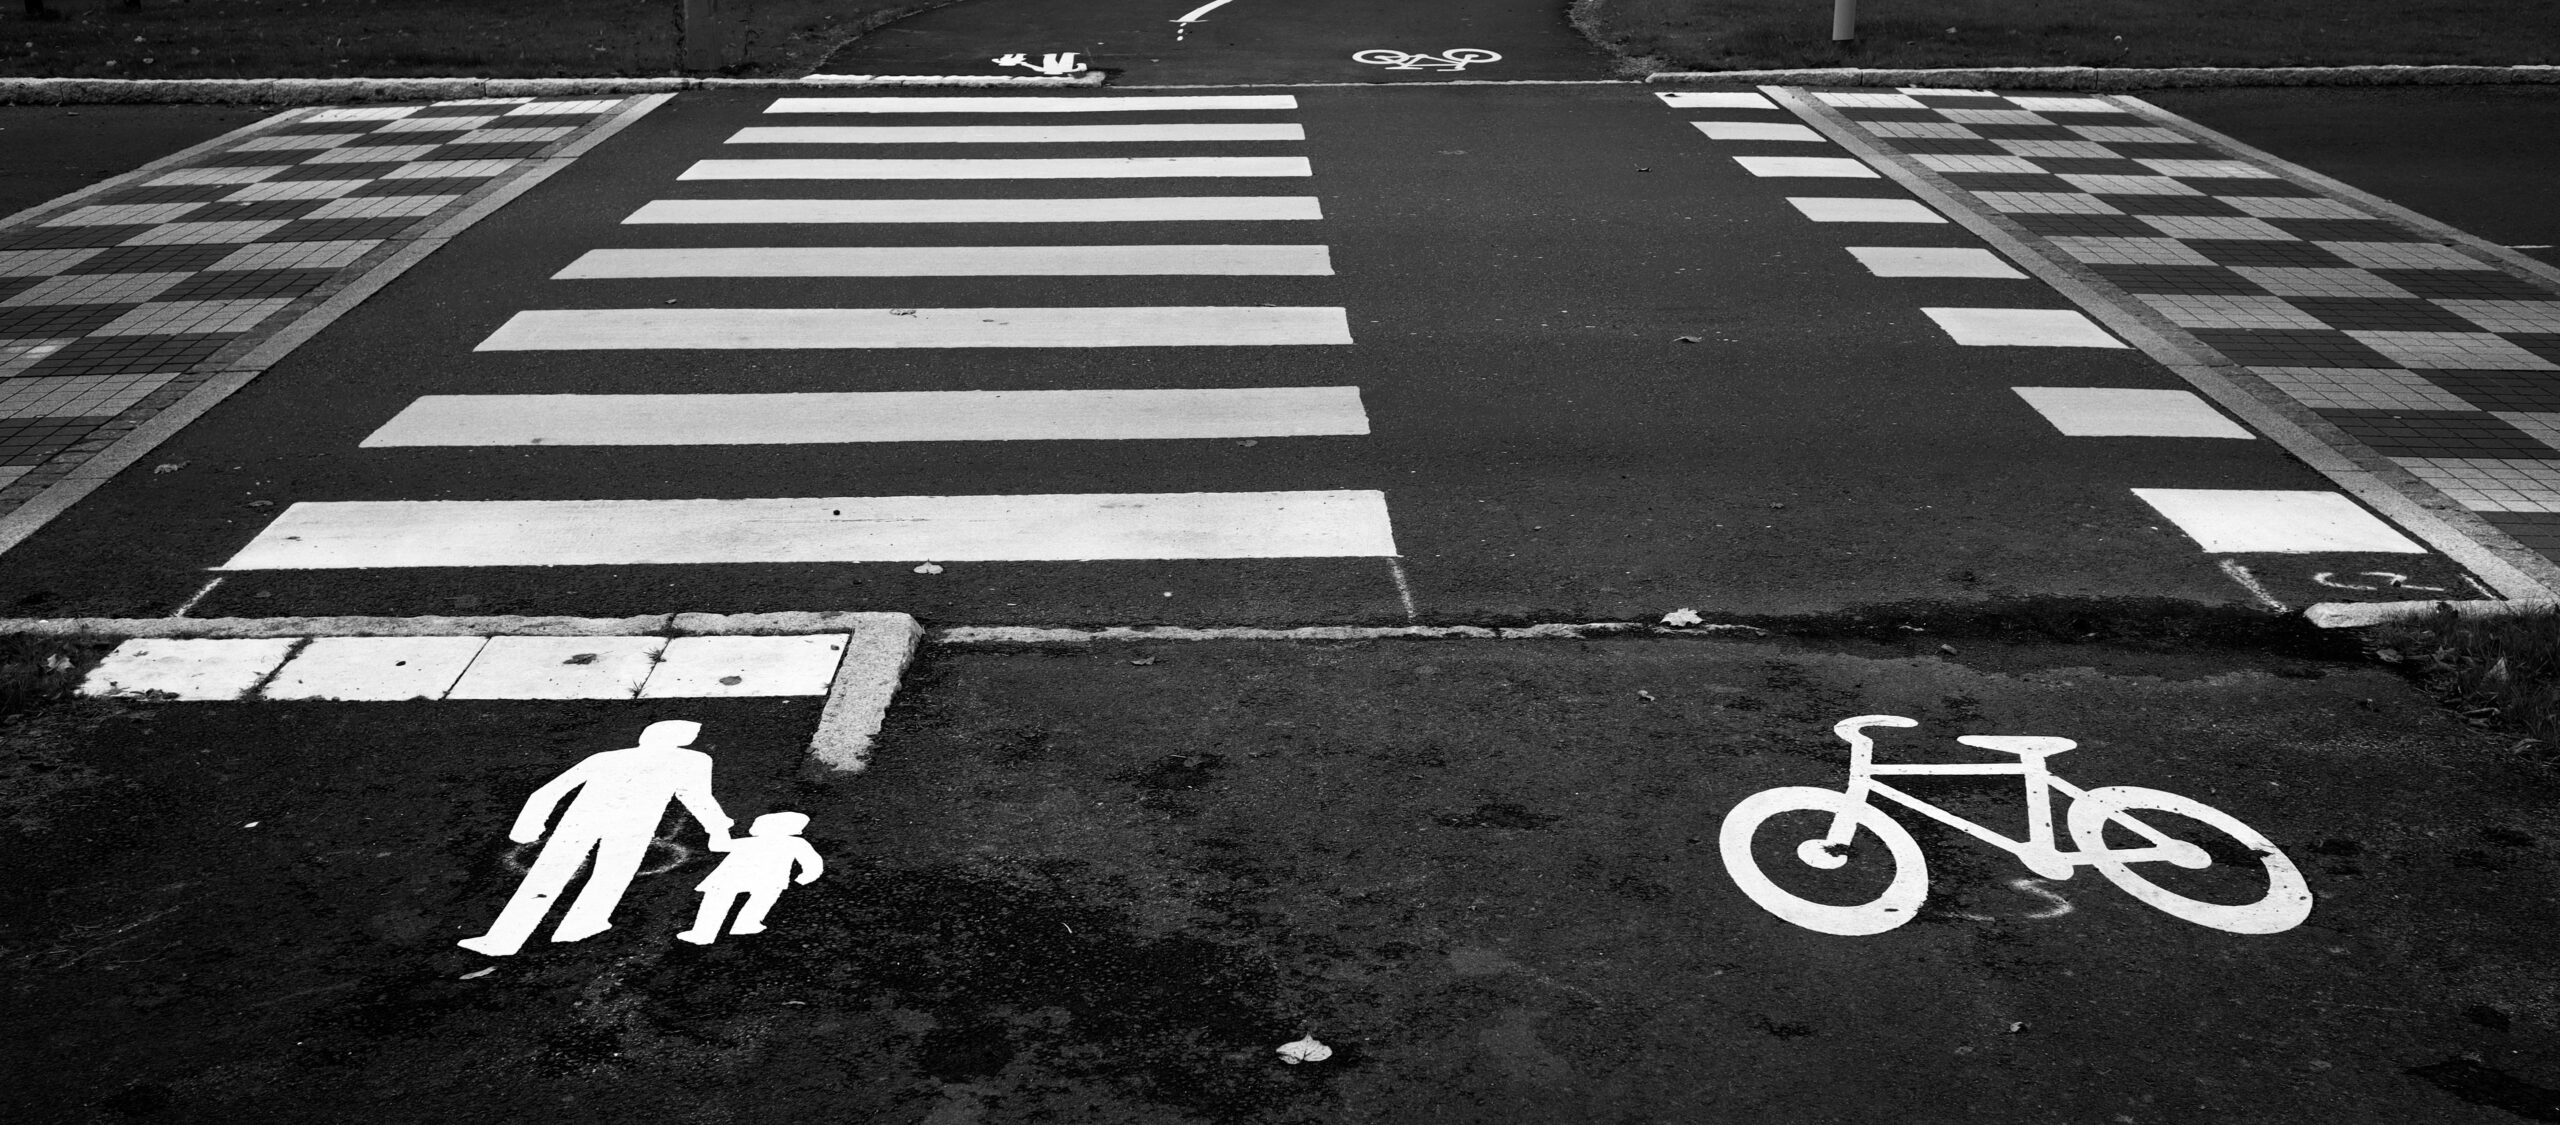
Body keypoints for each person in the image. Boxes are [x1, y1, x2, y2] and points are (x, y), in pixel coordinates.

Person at [458, 720, 732, 957]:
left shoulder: (604, 757)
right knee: (612, 873)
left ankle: (501, 940)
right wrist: (716, 830)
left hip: (581, 820)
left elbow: (550, 791)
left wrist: (527, 826)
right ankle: (582, 924)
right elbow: (696, 797)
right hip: (633, 822)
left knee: (547, 873)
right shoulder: (693, 760)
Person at [676, 811, 823, 945]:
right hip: (765, 879)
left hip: (734, 876)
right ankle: (744, 925)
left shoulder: (753, 842)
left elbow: (719, 846)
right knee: (761, 898)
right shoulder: (795, 842)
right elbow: (813, 863)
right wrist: (802, 879)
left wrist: (719, 830)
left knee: (717, 900)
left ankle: (705, 933)